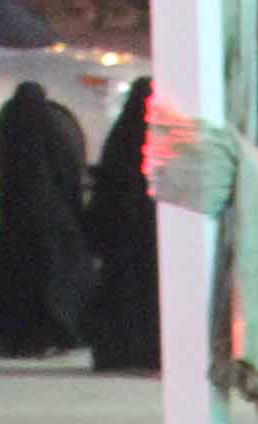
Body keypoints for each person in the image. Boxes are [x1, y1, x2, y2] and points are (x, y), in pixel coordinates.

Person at [0, 73, 94, 356]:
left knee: (18, 282)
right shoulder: (57, 125)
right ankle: (56, 331)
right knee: (54, 279)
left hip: (15, 221)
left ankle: (18, 337)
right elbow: (70, 169)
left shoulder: (10, 122)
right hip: (54, 218)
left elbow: (2, 162)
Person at [84, 79, 163, 371]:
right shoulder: (163, 142)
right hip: (153, 237)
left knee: (120, 295)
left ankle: (118, 353)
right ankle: (149, 352)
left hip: (121, 238)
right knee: (151, 296)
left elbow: (105, 190)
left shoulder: (119, 139)